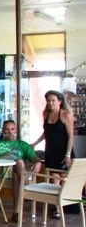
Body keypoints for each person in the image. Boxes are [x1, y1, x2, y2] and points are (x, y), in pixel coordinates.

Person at [31, 90, 75, 219]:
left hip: (64, 150)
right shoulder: (46, 114)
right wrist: (35, 143)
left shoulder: (66, 115)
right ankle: (57, 208)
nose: (51, 103)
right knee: (55, 177)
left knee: (64, 177)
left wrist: (68, 154)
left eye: (53, 101)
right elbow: (47, 132)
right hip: (51, 150)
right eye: (49, 100)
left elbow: (71, 137)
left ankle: (65, 205)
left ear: (59, 101)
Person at [0, 120, 41, 223]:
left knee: (17, 176)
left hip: (18, 173)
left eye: (12, 129)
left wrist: (38, 162)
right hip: (3, 171)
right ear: (3, 130)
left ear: (16, 130)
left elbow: (33, 157)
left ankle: (16, 213)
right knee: (19, 162)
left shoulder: (22, 144)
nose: (10, 132)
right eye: (7, 129)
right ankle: (27, 190)